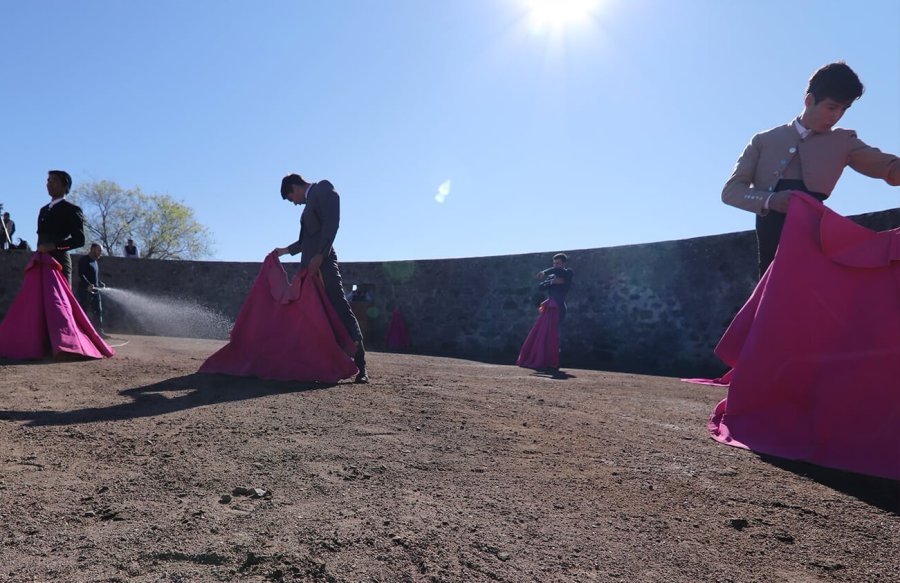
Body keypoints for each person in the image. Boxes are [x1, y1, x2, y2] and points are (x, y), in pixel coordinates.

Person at [723, 61, 900, 278]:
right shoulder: (764, 140)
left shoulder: (843, 141)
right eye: (831, 107)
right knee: (774, 297)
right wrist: (771, 200)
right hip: (770, 238)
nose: (836, 116)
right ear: (809, 100)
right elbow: (731, 192)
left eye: (843, 109)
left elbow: (889, 167)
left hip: (814, 234)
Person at [274, 173, 369, 383]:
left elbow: (332, 223)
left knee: (339, 308)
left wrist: (320, 255)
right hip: (309, 269)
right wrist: (282, 251)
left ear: (294, 187)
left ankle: (361, 366)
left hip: (323, 265)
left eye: (291, 199)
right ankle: (319, 364)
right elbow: (304, 242)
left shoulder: (323, 189)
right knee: (312, 314)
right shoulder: (310, 204)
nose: (294, 203)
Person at [37, 170, 86, 287]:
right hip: (41, 260)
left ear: (65, 185)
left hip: (59, 261)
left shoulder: (72, 209)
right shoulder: (43, 210)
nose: (49, 183)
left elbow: (79, 240)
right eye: (48, 180)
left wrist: (54, 246)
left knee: (58, 300)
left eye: (54, 180)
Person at [77, 243, 108, 338]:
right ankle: (81, 332)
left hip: (96, 291)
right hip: (84, 291)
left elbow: (94, 275)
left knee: (98, 311)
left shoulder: (95, 262)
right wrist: (87, 285)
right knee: (83, 311)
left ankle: (99, 331)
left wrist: (99, 282)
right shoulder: (84, 260)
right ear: (93, 249)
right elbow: (81, 274)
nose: (100, 253)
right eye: (99, 250)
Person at [536, 253, 574, 323]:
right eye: (554, 263)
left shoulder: (568, 272)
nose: (555, 265)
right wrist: (551, 282)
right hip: (549, 307)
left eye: (558, 263)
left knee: (555, 329)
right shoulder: (551, 276)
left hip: (559, 307)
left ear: (564, 263)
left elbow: (558, 271)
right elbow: (540, 287)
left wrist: (545, 272)